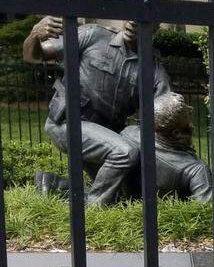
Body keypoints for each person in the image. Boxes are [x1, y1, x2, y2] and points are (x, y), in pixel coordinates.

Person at [23, 16, 171, 205]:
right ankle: (93, 207)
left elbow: (168, 114)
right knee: (124, 153)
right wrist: (34, 35)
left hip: (107, 136)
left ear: (155, 29)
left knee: (121, 197)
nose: (133, 22)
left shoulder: (154, 71)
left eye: (142, 20)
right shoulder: (93, 35)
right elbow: (33, 56)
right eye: (130, 15)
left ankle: (53, 184)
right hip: (69, 123)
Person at [118, 92, 213, 203]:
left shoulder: (128, 132)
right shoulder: (196, 170)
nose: (191, 109)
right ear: (177, 134)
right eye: (188, 115)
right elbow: (207, 208)